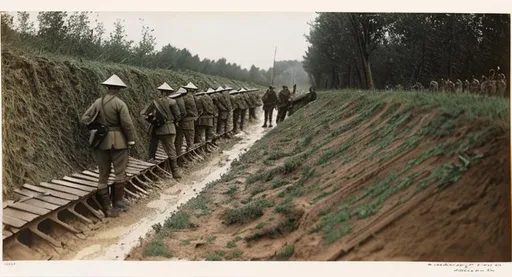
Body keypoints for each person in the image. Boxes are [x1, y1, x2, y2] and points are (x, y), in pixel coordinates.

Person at [81, 74, 136, 217]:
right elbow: (127, 124)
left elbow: (85, 118)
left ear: (107, 87)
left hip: (101, 142)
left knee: (103, 174)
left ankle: (107, 207)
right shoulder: (120, 104)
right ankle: (118, 202)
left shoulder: (98, 102)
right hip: (119, 142)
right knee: (119, 172)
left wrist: (98, 127)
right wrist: (130, 140)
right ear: (118, 89)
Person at [141, 82, 183, 179]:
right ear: (169, 92)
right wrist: (172, 121)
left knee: (153, 144)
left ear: (160, 92)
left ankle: (151, 160)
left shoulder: (155, 102)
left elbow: (143, 114)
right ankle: (175, 172)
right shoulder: (172, 102)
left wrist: (152, 120)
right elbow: (178, 115)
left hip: (157, 128)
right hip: (170, 128)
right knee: (171, 149)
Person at [176, 82, 199, 153]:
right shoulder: (190, 98)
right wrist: (195, 115)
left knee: (179, 140)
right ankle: (189, 153)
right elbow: (194, 110)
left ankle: (178, 153)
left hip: (180, 121)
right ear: (192, 91)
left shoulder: (179, 98)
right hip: (189, 121)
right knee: (190, 139)